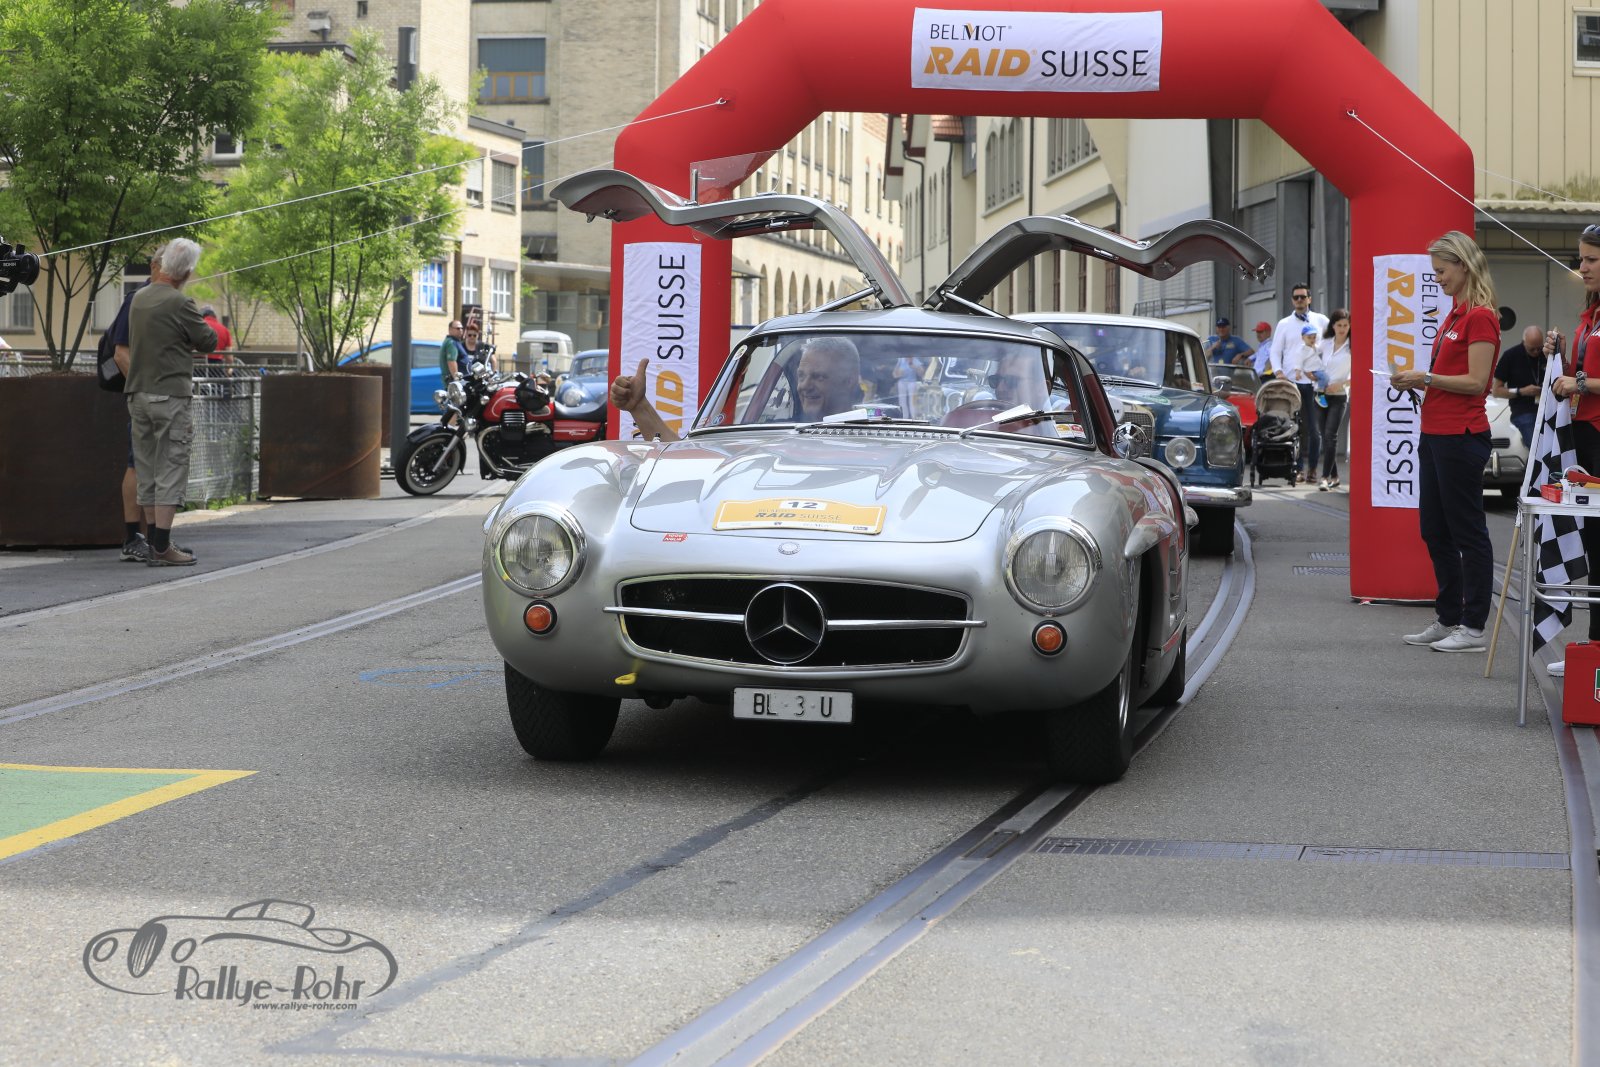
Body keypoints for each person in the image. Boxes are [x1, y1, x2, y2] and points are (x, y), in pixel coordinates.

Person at [1391, 231, 1499, 653]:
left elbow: (1476, 382)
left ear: (1463, 266)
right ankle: (1449, 616)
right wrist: (1419, 382)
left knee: (1467, 532)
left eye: (1441, 270)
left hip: (1461, 436)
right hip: (1435, 433)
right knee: (1435, 530)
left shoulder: (1480, 317)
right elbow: (1453, 379)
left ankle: (1473, 626)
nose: (1436, 278)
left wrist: (1426, 377)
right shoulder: (1455, 315)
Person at [125, 238, 217, 567]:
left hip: (138, 393)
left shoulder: (137, 298)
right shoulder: (180, 302)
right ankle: (163, 546)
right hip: (170, 395)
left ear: (163, 265)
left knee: (147, 467)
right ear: (187, 272)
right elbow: (208, 340)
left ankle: (153, 541)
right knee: (171, 466)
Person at [611, 337, 863, 442]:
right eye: (801, 376)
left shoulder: (875, 438)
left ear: (849, 381)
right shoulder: (768, 435)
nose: (805, 386)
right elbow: (681, 462)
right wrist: (639, 407)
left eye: (819, 377)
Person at [1546, 223, 1600, 676]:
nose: (1582, 267)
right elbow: (1578, 377)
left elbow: (1585, 382)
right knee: (1593, 543)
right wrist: (1560, 357)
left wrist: (1578, 381)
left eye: (1591, 259)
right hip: (1583, 438)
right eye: (1580, 258)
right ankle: (1594, 648)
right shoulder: (1590, 314)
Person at [108, 257, 157, 562]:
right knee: (136, 463)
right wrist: (142, 391)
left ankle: (156, 537)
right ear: (156, 267)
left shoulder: (160, 299)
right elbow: (120, 354)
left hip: (155, 392)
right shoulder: (137, 299)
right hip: (145, 394)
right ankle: (133, 536)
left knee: (150, 464)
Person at [1492, 324, 1549, 447]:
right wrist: (1521, 391)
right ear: (1524, 343)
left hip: (1547, 408)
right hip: (1524, 410)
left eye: (1539, 348)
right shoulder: (1510, 356)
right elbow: (1496, 391)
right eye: (1532, 349)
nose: (1536, 352)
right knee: (1536, 443)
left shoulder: (1547, 354)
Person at [1315, 309, 1352, 490]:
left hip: (1339, 396)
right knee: (1325, 437)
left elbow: (1359, 372)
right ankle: (1335, 476)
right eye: (1339, 325)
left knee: (1331, 436)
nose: (1342, 329)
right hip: (1320, 395)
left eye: (1346, 325)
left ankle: (1324, 477)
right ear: (1333, 326)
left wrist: (1341, 384)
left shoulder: (1353, 347)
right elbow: (1310, 360)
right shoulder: (1324, 344)